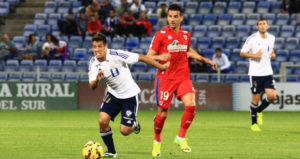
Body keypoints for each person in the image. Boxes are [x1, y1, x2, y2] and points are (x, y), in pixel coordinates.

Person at [146, 4, 217, 157]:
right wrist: (160, 57)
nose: (172, 19)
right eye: (170, 16)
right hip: (165, 78)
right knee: (163, 113)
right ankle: (157, 141)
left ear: (181, 18)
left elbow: (188, 50)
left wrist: (206, 60)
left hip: (182, 77)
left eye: (175, 16)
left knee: (191, 105)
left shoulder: (186, 35)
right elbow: (148, 56)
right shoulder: (160, 35)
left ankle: (180, 137)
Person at [88, 33, 170, 158]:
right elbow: (92, 86)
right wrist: (97, 80)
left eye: (99, 46)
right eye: (94, 47)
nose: (97, 50)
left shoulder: (117, 55)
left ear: (106, 46)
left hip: (129, 95)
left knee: (124, 131)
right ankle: (111, 151)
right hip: (113, 94)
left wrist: (162, 67)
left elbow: (142, 57)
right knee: (102, 121)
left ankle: (134, 123)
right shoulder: (93, 63)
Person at [240, 17, 277, 132]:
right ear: (257, 27)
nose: (262, 26)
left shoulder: (272, 38)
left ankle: (259, 111)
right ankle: (253, 123)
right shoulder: (252, 39)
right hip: (255, 73)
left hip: (267, 72)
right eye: (260, 24)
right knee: (255, 98)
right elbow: (242, 53)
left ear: (268, 26)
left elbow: (270, 50)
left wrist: (273, 54)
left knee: (272, 96)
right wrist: (254, 56)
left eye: (264, 24)